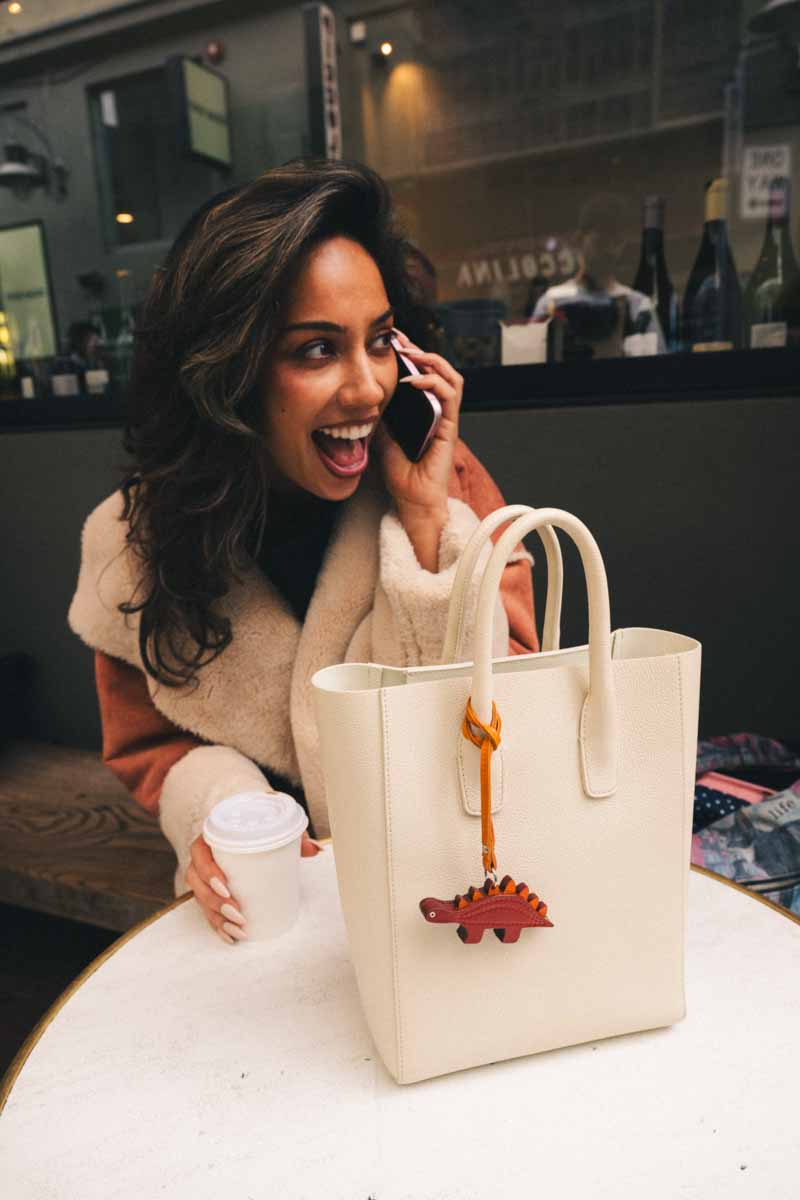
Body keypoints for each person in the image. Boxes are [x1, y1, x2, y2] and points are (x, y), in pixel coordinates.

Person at [68, 159, 540, 946]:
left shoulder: (445, 486)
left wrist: (427, 524)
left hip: (446, 901)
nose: (367, 388)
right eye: (317, 350)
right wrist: (221, 811)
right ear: (229, 371)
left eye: (381, 340)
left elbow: (514, 704)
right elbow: (149, 744)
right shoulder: (133, 543)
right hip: (265, 914)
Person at [531, 193, 665, 356]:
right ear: (579, 239)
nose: (610, 249)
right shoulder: (551, 302)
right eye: (601, 240)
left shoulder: (638, 306)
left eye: (616, 242)